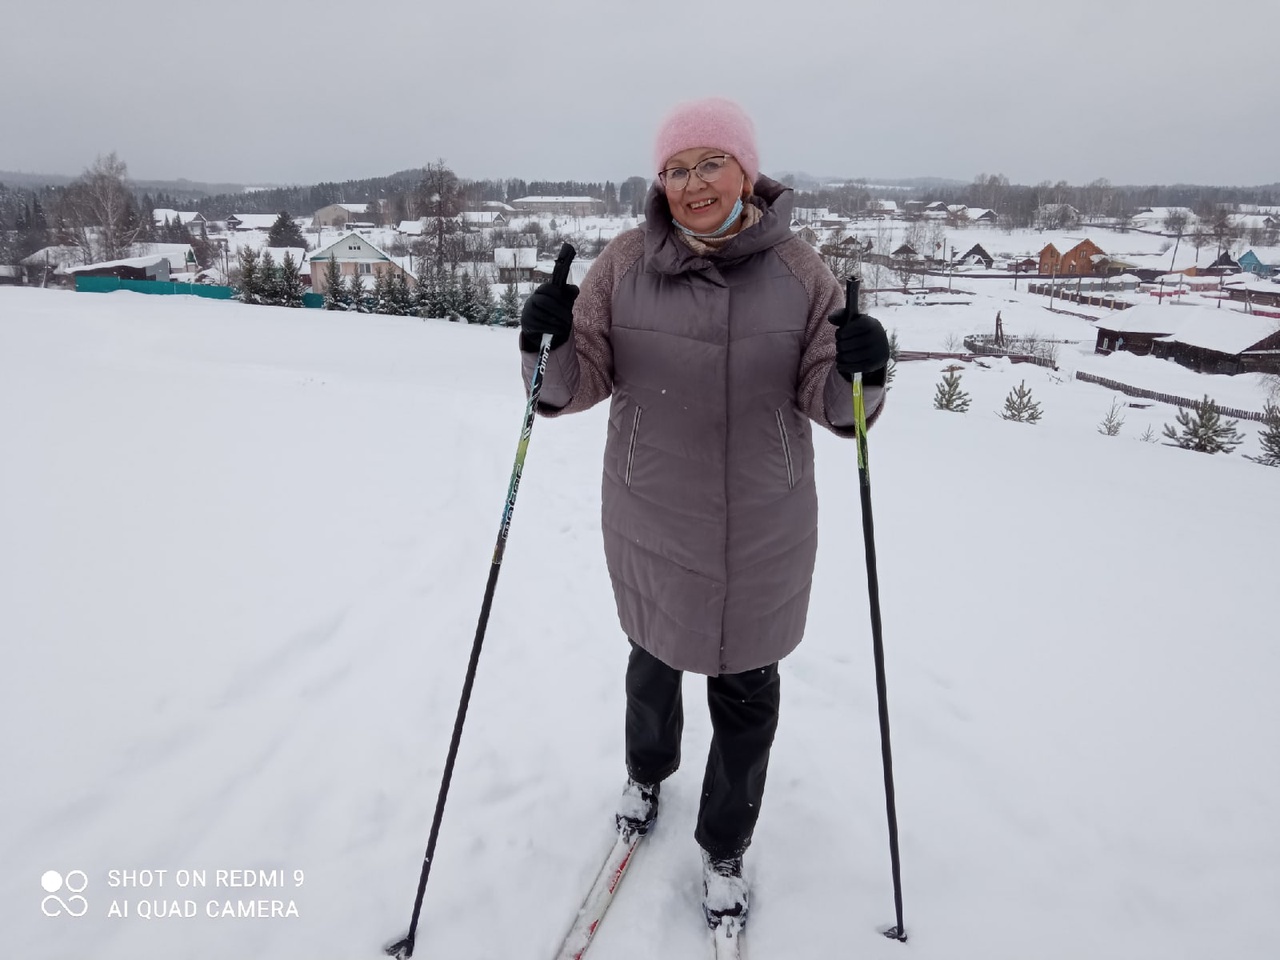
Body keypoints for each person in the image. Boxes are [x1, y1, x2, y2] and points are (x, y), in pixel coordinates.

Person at [518, 96, 889, 929]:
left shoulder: (802, 272)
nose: (692, 184)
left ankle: (725, 845)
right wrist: (546, 346)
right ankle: (646, 775)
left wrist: (863, 373)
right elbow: (571, 388)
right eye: (675, 169)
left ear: (746, 171)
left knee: (748, 692)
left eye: (709, 163)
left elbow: (838, 409)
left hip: (766, 528)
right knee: (652, 666)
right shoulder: (623, 266)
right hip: (652, 514)